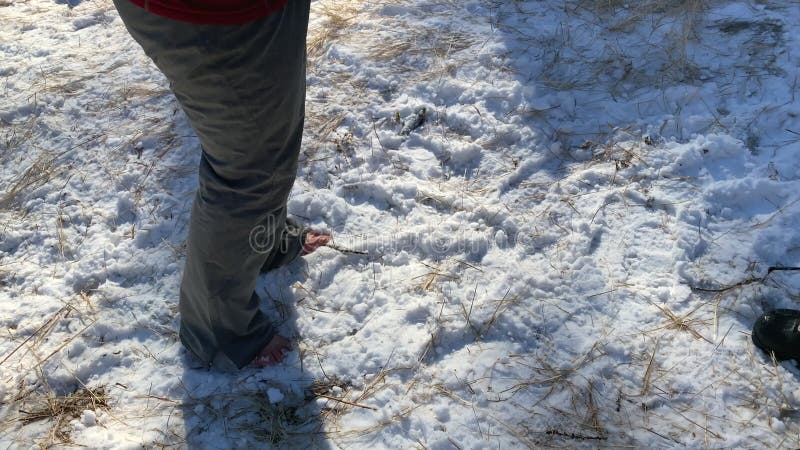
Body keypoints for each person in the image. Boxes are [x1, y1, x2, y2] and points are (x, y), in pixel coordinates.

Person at [113, 0, 331, 371]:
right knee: (250, 166)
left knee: (271, 139)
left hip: (254, 11)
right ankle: (219, 331)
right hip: (216, 12)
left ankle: (261, 243)